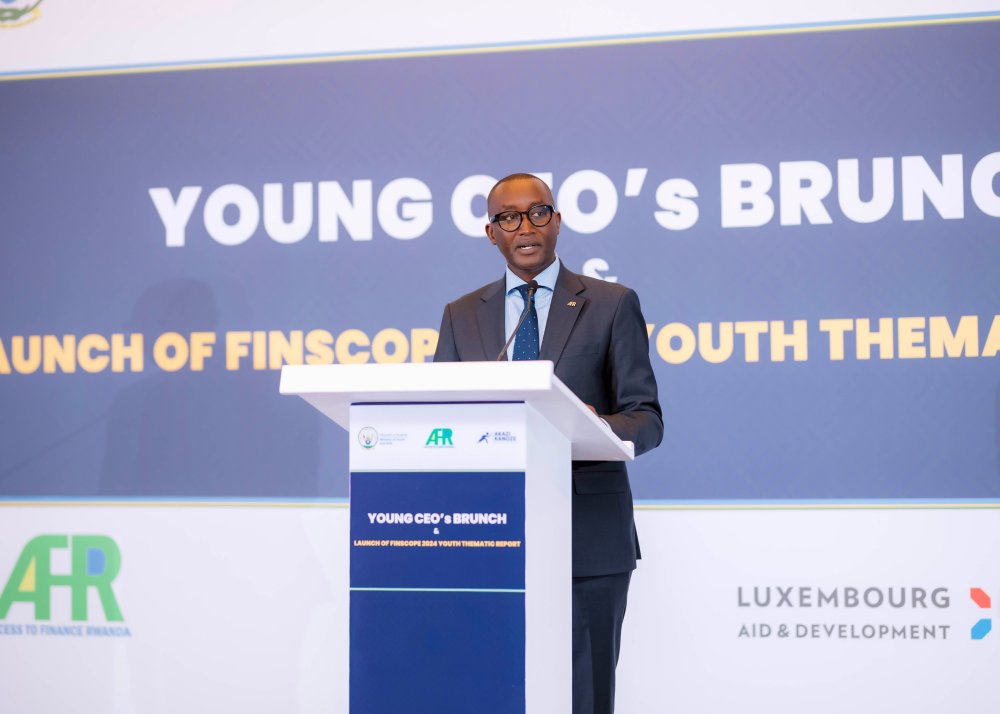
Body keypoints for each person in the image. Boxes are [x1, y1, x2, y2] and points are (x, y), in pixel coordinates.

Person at [434, 173, 663, 714]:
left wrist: (596, 426)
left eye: (537, 213)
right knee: (494, 690)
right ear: (491, 233)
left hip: (588, 539)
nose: (525, 227)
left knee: (585, 695)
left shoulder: (610, 303)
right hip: (491, 537)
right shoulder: (461, 314)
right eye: (508, 218)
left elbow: (646, 418)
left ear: (556, 221)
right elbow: (442, 418)